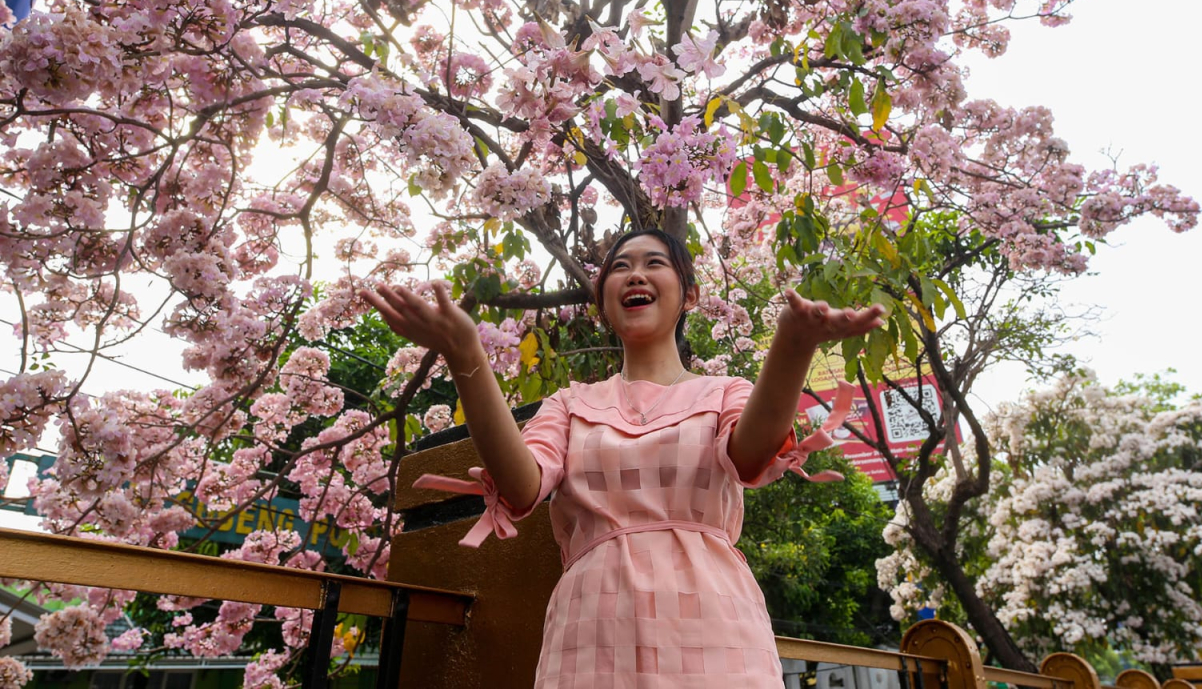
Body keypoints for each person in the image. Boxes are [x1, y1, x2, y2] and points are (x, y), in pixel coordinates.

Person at [361, 228, 884, 688]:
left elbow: (749, 458)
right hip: (591, 633)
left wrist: (793, 345)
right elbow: (521, 489)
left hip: (715, 628)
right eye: (619, 267)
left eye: (654, 263)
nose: (635, 274)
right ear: (603, 300)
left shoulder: (727, 391)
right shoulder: (568, 405)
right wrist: (465, 353)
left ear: (690, 295)